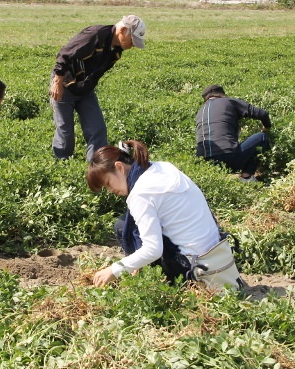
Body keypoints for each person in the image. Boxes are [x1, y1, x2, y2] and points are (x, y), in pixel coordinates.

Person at [86, 140, 243, 293]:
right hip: (216, 254)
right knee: (129, 223)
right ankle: (140, 267)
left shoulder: (141, 193)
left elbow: (153, 249)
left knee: (122, 227)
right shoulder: (161, 167)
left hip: (194, 268)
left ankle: (156, 282)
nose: (110, 190)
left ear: (119, 167)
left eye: (108, 183)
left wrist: (115, 269)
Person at [50, 15, 146, 161]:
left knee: (97, 129)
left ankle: (97, 167)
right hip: (65, 84)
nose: (133, 45)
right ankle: (61, 165)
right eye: (132, 39)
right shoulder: (94, 35)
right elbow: (65, 54)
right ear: (123, 30)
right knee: (65, 132)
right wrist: (57, 81)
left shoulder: (117, 50)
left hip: (85, 89)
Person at [196, 84, 271, 182]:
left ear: (206, 99)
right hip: (229, 159)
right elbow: (263, 114)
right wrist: (267, 127)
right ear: (222, 95)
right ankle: (246, 177)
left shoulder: (200, 111)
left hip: (205, 163)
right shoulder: (228, 101)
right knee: (262, 138)